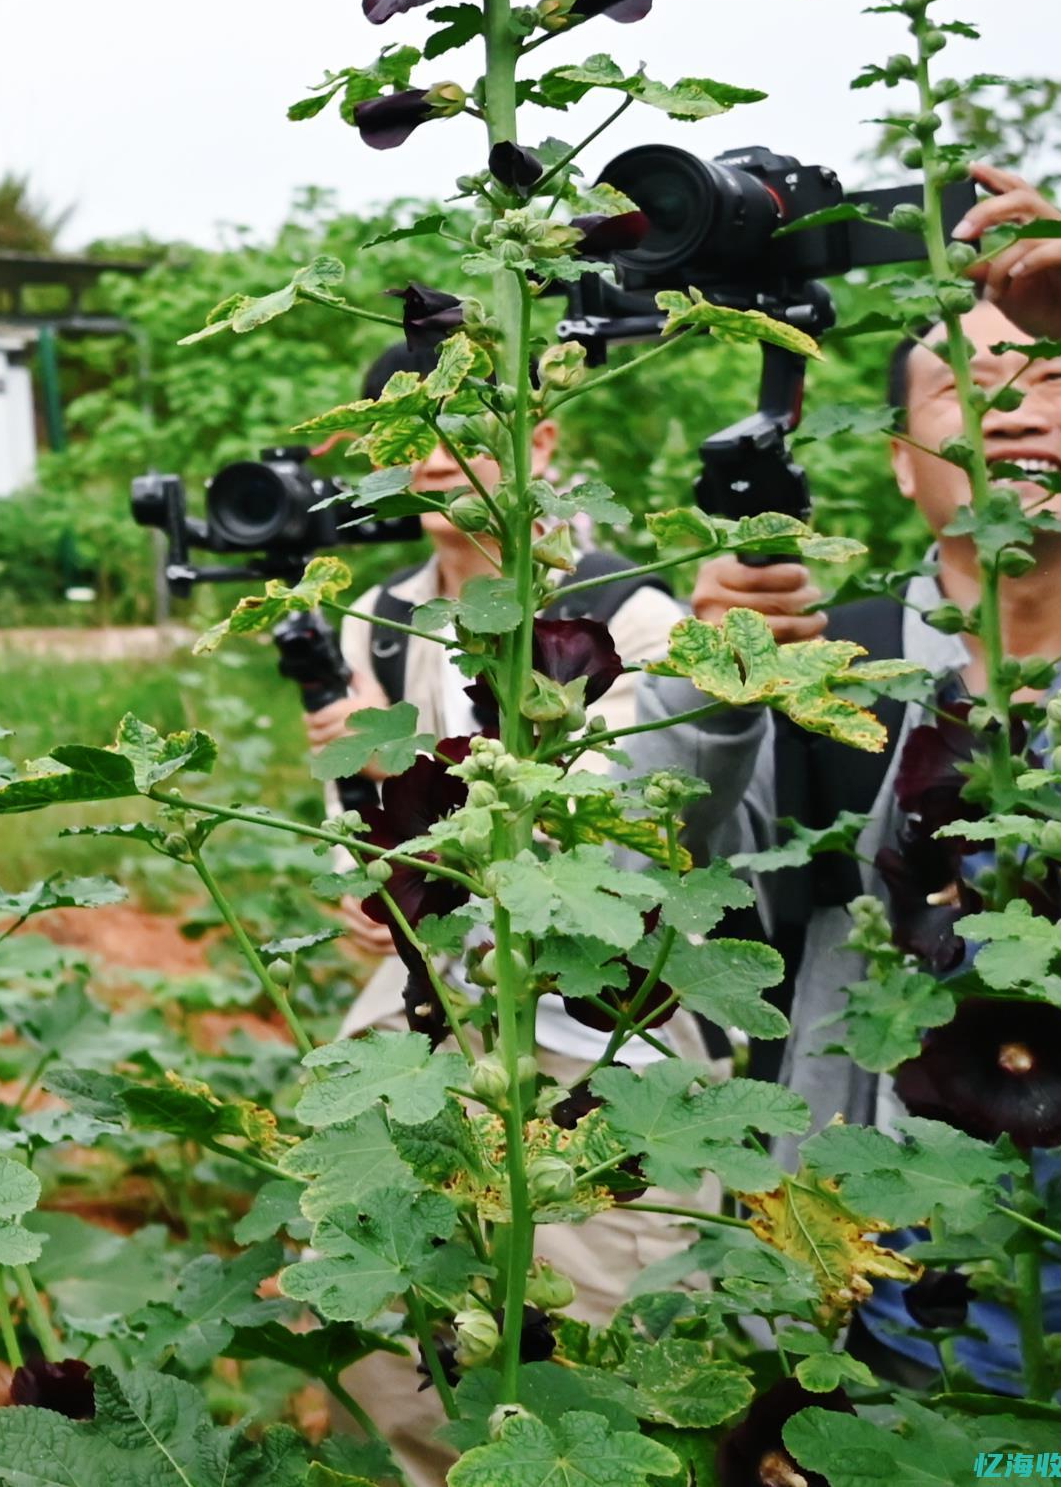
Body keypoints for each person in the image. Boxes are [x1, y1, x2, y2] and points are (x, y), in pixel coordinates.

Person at [687, 171, 1061, 1394]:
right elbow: (661, 889)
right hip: (893, 1334)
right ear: (902, 465)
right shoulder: (823, 662)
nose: (1015, 406)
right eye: (964, 383)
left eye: (1060, 376)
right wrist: (709, 690)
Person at [305, 340, 752, 1484]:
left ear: (538, 441)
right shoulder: (381, 615)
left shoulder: (633, 613)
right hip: (436, 1005)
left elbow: (655, 840)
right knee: (396, 1330)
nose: (438, 463)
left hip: (599, 1018)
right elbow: (373, 835)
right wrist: (368, 854)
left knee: (595, 1322)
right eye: (412, 444)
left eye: (467, 430)